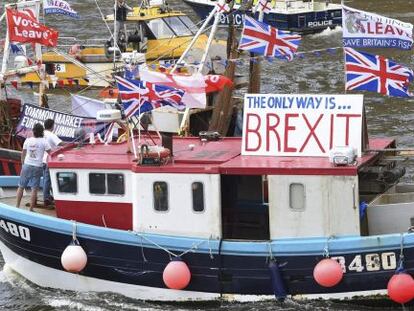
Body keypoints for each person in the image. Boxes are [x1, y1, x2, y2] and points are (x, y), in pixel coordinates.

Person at [16, 123, 51, 211]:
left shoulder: (28, 140)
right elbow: (51, 153)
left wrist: (23, 164)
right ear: (42, 132)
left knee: (21, 186)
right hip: (37, 167)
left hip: (27, 165)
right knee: (34, 189)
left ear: (33, 131)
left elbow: (23, 154)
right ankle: (31, 209)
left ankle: (17, 206)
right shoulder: (44, 141)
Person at [43, 119, 64, 207]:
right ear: (52, 126)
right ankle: (46, 198)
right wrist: (72, 143)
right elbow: (61, 143)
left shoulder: (42, 133)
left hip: (42, 160)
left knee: (46, 179)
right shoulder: (51, 135)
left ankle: (48, 196)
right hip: (49, 160)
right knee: (48, 180)